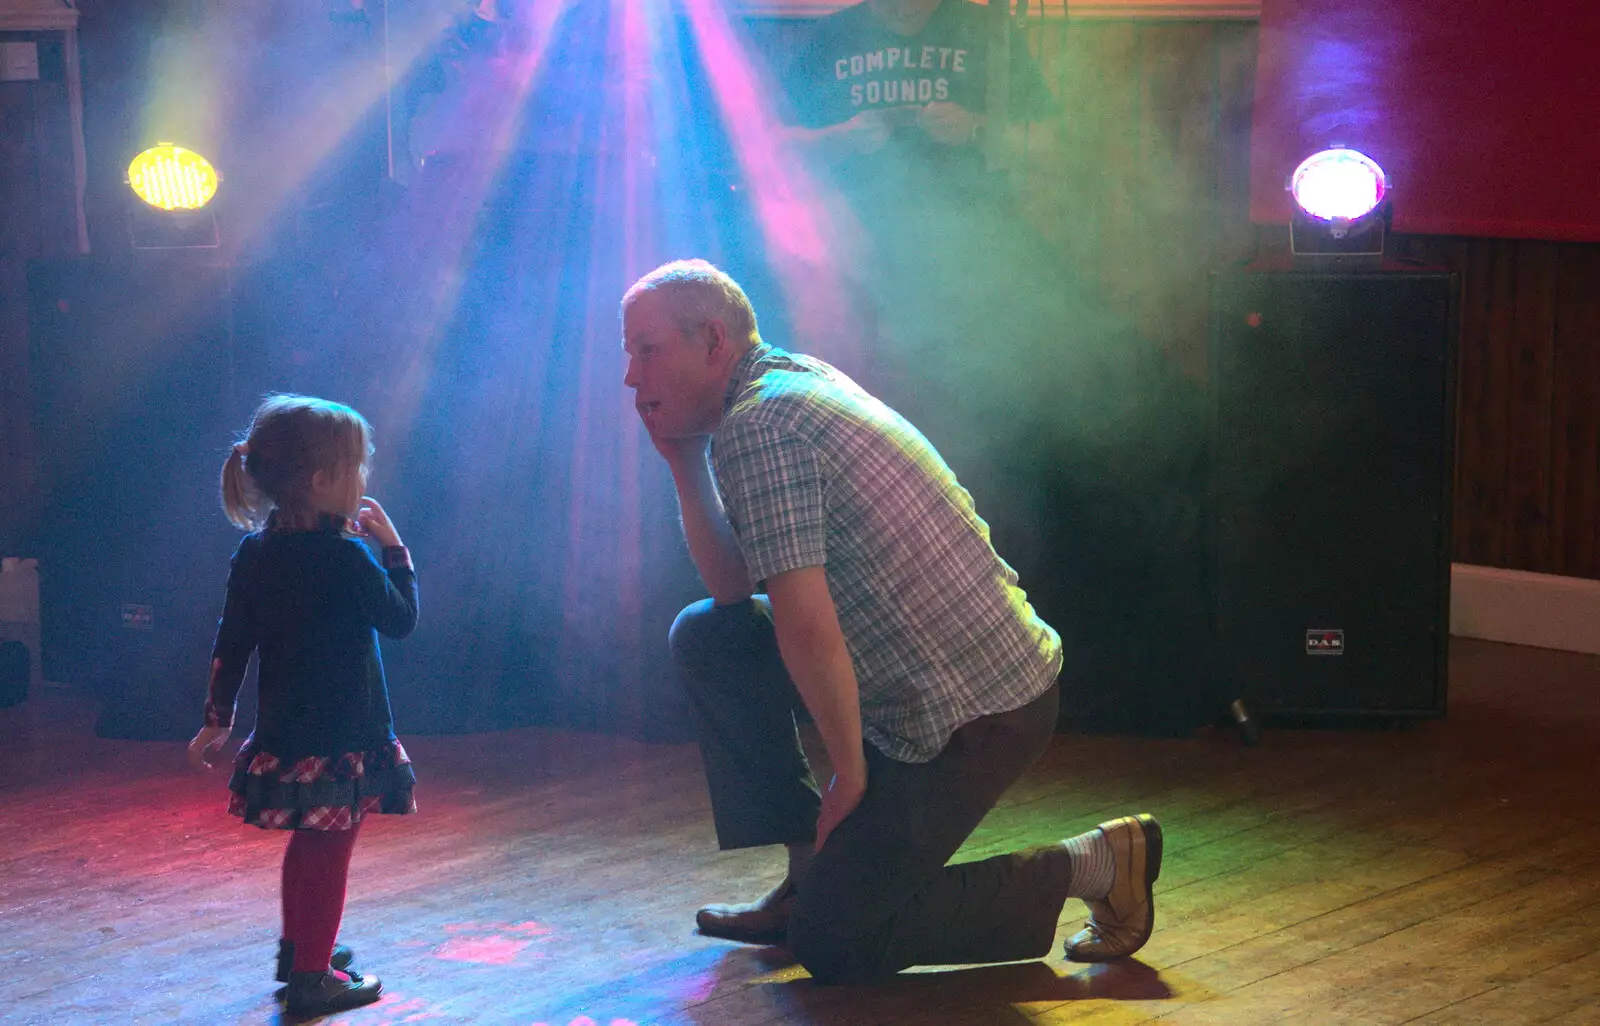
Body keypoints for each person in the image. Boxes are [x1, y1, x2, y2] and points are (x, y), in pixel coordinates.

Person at [623, 259, 1161, 983]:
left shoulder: (762, 426)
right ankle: (810, 874)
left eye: (646, 350)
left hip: (975, 716)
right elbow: (730, 592)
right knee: (714, 635)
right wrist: (681, 463)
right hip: (928, 690)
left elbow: (805, 624)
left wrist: (847, 772)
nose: (632, 377)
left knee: (838, 940)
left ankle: (1096, 862)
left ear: (712, 341)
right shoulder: (785, 383)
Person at [187, 395, 419, 1018]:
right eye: (357, 467)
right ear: (320, 481)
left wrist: (216, 720)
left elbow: (230, 640)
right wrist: (395, 551)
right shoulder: (346, 557)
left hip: (288, 733)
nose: (364, 479)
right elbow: (400, 621)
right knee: (329, 847)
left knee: (308, 839)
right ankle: (313, 977)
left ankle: (300, 953)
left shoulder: (256, 553)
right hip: (343, 735)